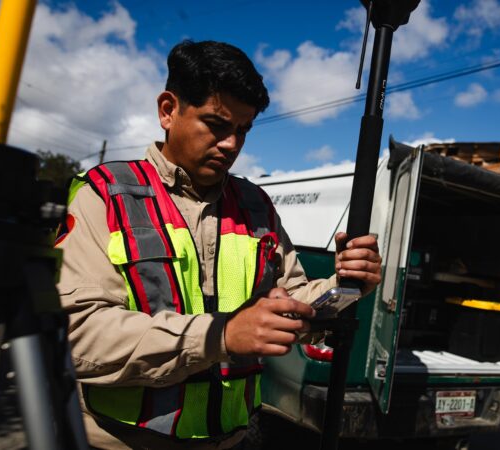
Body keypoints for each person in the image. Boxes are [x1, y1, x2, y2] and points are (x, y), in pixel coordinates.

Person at [56, 40, 382, 449]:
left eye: (242, 129)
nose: (231, 144)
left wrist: (346, 284)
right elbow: (75, 333)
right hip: (119, 440)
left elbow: (294, 299)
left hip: (232, 439)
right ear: (168, 110)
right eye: (216, 124)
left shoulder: (256, 206)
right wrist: (220, 336)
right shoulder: (105, 196)